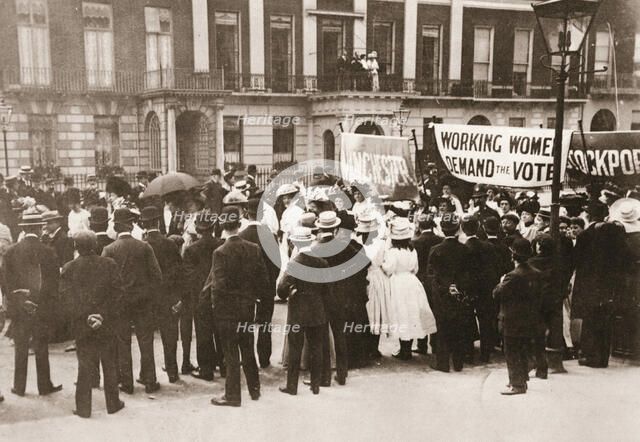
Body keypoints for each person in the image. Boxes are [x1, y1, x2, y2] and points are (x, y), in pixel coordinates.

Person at [60, 231, 125, 418]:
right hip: (106, 323)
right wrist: (102, 315)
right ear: (95, 244)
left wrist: (87, 317)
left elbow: (67, 299)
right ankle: (113, 403)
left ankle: (83, 408)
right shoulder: (109, 264)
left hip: (83, 325)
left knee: (85, 365)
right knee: (110, 363)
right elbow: (118, 294)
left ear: (76, 247)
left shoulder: (69, 268)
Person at [210, 206, 268, 407]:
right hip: (247, 307)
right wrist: (255, 298)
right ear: (239, 222)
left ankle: (232, 395)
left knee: (231, 352)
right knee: (248, 348)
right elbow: (263, 280)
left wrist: (216, 308)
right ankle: (255, 389)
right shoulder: (253, 249)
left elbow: (219, 286)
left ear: (222, 225)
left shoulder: (220, 252)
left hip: (227, 310)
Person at [102, 208, 163, 394]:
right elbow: (157, 276)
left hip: (120, 302)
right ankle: (150, 381)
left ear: (116, 226)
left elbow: (105, 280)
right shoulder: (144, 247)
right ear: (131, 225)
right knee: (146, 341)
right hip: (143, 301)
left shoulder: (109, 249)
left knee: (123, 341)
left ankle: (126, 383)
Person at [3, 213, 62, 397]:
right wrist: (41, 302)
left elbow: (5, 282)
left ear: (23, 229)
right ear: (38, 228)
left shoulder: (11, 252)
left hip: (20, 308)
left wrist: (20, 301)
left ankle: (19, 387)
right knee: (41, 346)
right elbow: (53, 283)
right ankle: (44, 386)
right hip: (41, 307)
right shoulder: (48, 251)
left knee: (20, 346)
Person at [277, 227, 329, 396]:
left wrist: (290, 291)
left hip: (298, 309)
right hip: (317, 308)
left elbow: (281, 290)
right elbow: (328, 290)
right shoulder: (322, 262)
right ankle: (315, 385)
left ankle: (292, 386)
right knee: (316, 348)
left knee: (295, 349)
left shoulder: (294, 263)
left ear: (296, 243)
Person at [493, 238, 544, 395]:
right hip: (529, 318)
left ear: (513, 255)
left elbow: (496, 294)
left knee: (512, 352)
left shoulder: (512, 276)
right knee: (522, 350)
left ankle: (517, 384)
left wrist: (501, 282)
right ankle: (521, 380)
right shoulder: (536, 273)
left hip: (512, 319)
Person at [140, 206, 185, 384]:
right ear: (159, 222)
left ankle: (147, 375)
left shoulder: (142, 246)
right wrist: (178, 298)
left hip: (148, 299)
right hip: (168, 298)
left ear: (143, 224)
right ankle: (172, 372)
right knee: (170, 337)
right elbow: (180, 272)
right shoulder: (170, 244)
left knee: (147, 339)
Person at [383, 217, 438, 360]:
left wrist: (383, 265)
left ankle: (404, 349)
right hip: (412, 281)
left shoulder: (393, 252)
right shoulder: (412, 250)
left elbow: (389, 269)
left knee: (401, 314)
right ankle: (414, 346)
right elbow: (416, 268)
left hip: (398, 282)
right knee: (413, 313)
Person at [426, 214, 473, 372]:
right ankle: (458, 363)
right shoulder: (465, 249)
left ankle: (443, 363)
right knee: (458, 326)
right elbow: (468, 273)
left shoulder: (436, 250)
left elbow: (431, 274)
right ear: (458, 229)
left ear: (442, 229)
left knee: (442, 326)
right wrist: (457, 287)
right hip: (460, 291)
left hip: (441, 293)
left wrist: (445, 287)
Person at [239, 198, 281, 368]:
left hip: (246, 289)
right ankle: (264, 358)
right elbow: (277, 263)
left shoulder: (241, 236)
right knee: (265, 324)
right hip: (267, 287)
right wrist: (270, 281)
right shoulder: (269, 235)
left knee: (246, 324)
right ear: (262, 214)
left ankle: (247, 358)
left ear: (246, 213)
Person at [183, 215, 225, 381]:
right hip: (219, 294)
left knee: (203, 333)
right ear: (213, 227)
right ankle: (224, 366)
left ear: (198, 229)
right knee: (220, 332)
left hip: (201, 297)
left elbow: (189, 277)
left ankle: (206, 369)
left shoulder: (191, 249)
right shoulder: (221, 245)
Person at [312, 211, 350, 383]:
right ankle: (342, 373)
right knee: (340, 333)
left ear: (319, 228)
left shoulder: (316, 248)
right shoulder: (345, 246)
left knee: (322, 336)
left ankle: (324, 376)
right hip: (341, 293)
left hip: (322, 296)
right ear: (335, 228)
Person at [528, 233, 568, 375]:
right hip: (555, 301)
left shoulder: (532, 262)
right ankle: (554, 363)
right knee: (555, 331)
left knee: (537, 334)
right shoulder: (560, 262)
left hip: (538, 302)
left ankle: (538, 365)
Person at [461, 216, 500, 363]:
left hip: (469, 289)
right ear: (478, 228)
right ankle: (485, 354)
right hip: (485, 288)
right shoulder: (488, 246)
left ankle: (469, 354)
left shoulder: (464, 248)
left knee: (468, 320)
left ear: (463, 230)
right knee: (485, 321)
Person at [358, 210, 392, 359]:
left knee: (368, 310)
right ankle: (373, 347)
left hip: (366, 278)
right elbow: (385, 263)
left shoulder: (359, 245)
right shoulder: (381, 244)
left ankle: (367, 347)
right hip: (378, 277)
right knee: (376, 310)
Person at [410, 213, 442, 355]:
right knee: (436, 311)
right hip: (436, 279)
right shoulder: (440, 240)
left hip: (421, 279)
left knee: (421, 311)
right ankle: (435, 343)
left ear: (419, 226)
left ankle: (421, 345)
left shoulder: (415, 242)